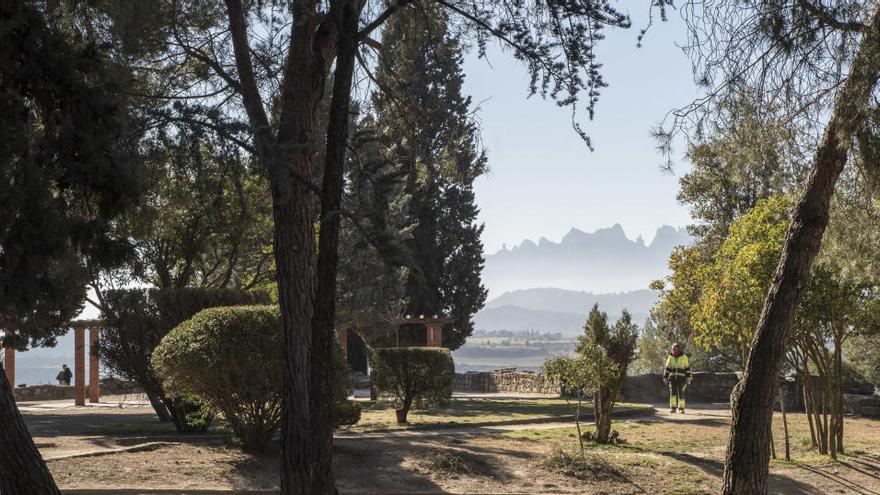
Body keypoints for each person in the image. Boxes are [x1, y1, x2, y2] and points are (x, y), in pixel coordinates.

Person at [663, 343, 692, 413]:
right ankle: (673, 408)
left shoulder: (684, 357)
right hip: (672, 378)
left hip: (681, 378)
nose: (673, 350)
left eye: (674, 349)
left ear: (678, 349)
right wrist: (665, 377)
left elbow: (688, 368)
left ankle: (681, 408)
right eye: (672, 349)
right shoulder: (670, 357)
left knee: (680, 393)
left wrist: (688, 377)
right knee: (673, 393)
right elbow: (667, 368)